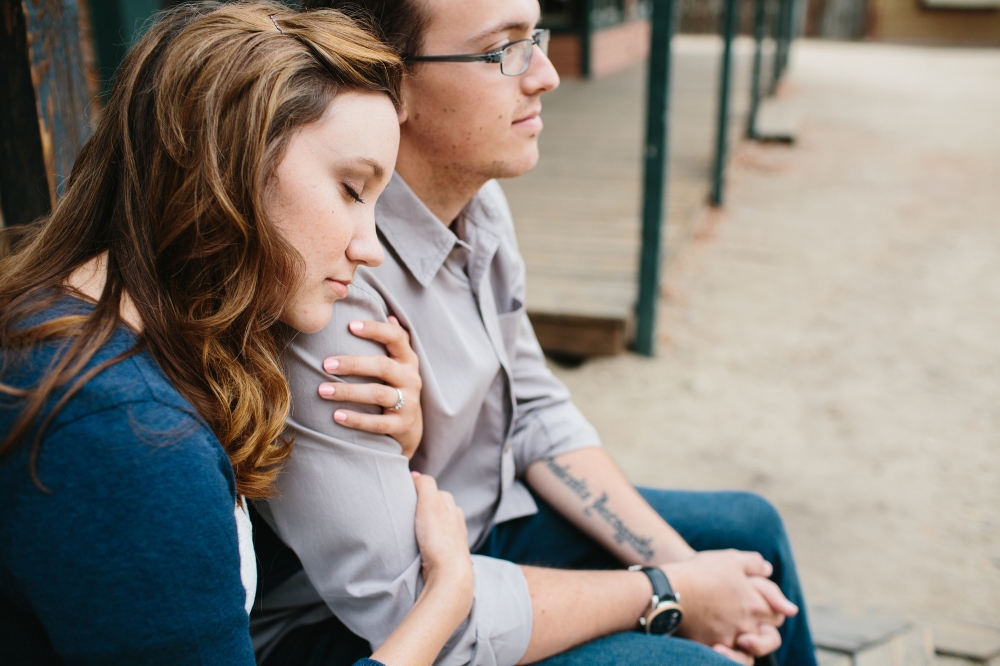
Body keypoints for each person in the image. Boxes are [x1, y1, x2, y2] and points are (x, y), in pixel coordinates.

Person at [253, 0, 821, 666]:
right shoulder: (332, 281)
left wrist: (697, 576)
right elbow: (405, 604)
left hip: (478, 530)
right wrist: (669, 593)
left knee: (748, 540)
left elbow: (534, 409)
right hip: (350, 625)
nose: (546, 74)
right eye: (505, 50)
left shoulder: (476, 201)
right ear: (390, 81)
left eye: (537, 37)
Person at [0, 3, 476, 665]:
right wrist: (446, 599)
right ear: (225, 167)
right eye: (350, 188)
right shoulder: (125, 435)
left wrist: (403, 439)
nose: (369, 247)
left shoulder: (90, 327)